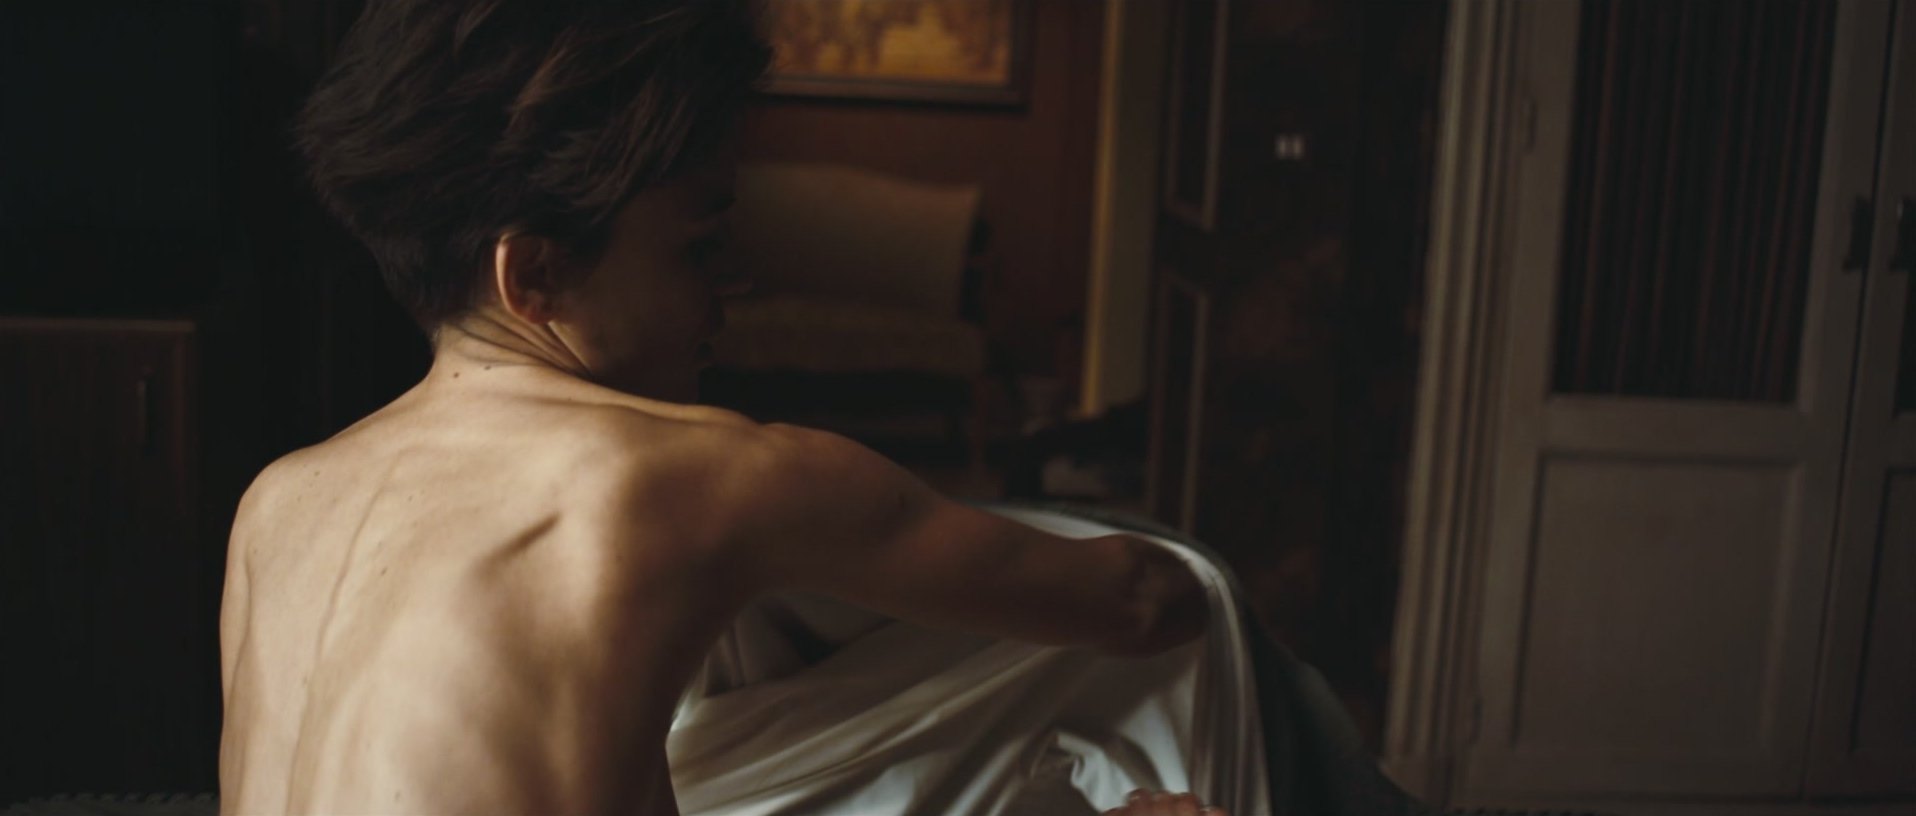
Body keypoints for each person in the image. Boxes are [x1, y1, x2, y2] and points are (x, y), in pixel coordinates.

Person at [216, 1, 1216, 813]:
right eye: (699, 248)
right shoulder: (692, 478)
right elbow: (1147, 602)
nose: (725, 293)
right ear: (536, 277)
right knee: (1194, 662)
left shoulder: (275, 503)